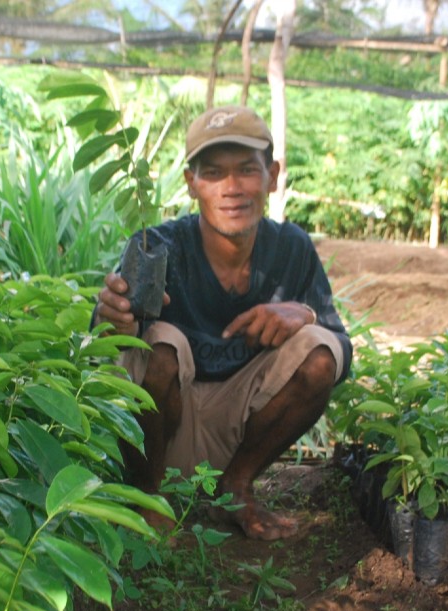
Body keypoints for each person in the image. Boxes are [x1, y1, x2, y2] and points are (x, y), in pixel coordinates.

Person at [94, 105, 352, 540]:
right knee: (161, 343)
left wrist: (304, 312)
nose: (232, 188)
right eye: (213, 173)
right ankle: (147, 494)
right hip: (162, 432)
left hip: (242, 431)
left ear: (271, 174)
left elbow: (343, 356)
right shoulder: (156, 247)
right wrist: (114, 322)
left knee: (320, 349)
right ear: (192, 183)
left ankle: (235, 487)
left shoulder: (291, 247)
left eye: (247, 170)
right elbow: (112, 359)